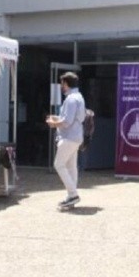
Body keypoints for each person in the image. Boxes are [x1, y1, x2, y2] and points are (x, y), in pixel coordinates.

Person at [46, 72, 86, 208]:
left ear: (67, 84)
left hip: (69, 136)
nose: (62, 86)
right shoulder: (79, 97)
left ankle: (73, 194)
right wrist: (57, 118)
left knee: (59, 165)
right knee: (71, 167)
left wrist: (53, 123)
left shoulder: (70, 99)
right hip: (76, 136)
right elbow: (73, 118)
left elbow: (67, 121)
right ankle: (71, 197)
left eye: (62, 83)